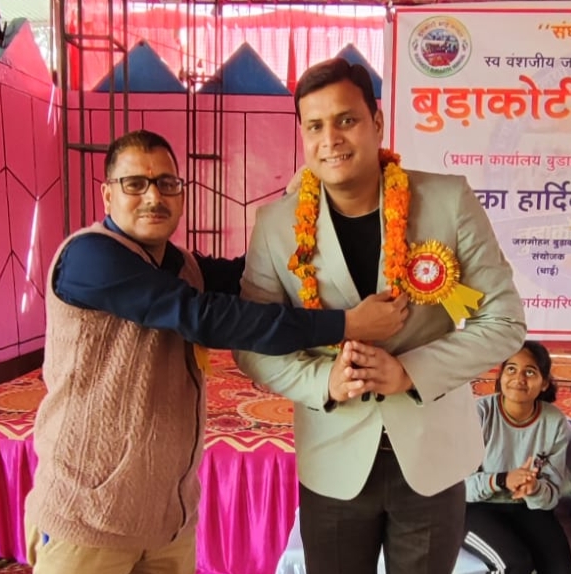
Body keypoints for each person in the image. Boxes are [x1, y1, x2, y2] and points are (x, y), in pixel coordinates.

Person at [23, 129, 411, 574]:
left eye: (167, 183)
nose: (154, 197)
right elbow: (205, 317)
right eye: (135, 184)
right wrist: (347, 324)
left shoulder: (181, 265)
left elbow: (254, 279)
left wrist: (298, 210)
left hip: (168, 524)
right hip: (87, 520)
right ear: (107, 195)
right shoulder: (89, 257)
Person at [233, 58, 526, 574]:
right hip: (333, 458)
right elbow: (253, 341)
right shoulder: (276, 225)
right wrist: (324, 380)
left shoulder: (447, 201)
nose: (330, 140)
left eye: (345, 120)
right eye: (314, 126)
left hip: (430, 458)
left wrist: (410, 372)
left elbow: (504, 321)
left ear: (377, 122)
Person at [463, 341, 571, 573]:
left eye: (530, 372)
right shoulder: (479, 413)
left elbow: (551, 495)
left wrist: (534, 488)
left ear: (544, 383)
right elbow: (458, 488)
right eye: (511, 369)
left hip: (527, 508)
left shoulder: (555, 422)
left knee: (561, 568)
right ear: (501, 376)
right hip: (474, 508)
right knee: (515, 564)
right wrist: (502, 480)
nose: (519, 378)